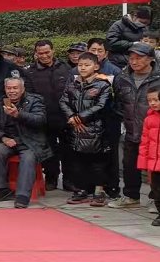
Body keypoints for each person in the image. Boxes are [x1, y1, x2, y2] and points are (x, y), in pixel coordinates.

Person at [0, 78, 52, 209]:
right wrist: (3, 138)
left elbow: (40, 120)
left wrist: (18, 114)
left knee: (28, 158)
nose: (12, 91)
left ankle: (22, 196)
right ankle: (1, 189)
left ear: (22, 89)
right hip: (9, 140)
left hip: (30, 141)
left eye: (15, 88)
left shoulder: (35, 101)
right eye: (9, 88)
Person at [108, 43, 160, 208]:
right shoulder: (122, 77)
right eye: (131, 58)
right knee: (129, 164)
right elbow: (117, 103)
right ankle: (131, 196)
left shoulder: (158, 77)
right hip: (131, 128)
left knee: (156, 168)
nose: (134, 61)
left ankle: (156, 199)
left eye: (139, 57)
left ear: (151, 59)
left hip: (155, 131)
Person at [59, 52, 112, 207]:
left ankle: (98, 191)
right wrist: (72, 117)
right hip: (75, 129)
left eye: (87, 65)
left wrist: (80, 117)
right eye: (80, 65)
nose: (82, 68)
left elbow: (101, 106)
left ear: (96, 66)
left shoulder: (103, 85)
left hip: (96, 129)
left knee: (97, 163)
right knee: (77, 162)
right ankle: (80, 190)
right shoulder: (72, 84)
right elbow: (63, 101)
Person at [25, 40, 72, 191]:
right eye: (40, 53)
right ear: (36, 54)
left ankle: (69, 179)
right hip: (43, 118)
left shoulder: (65, 68)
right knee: (49, 150)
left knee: (68, 150)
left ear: (53, 51)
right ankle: (51, 178)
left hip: (65, 117)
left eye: (47, 52)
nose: (44, 56)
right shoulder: (30, 72)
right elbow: (29, 96)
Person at [87, 37, 123, 198]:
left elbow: (121, 95)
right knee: (89, 153)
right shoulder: (78, 70)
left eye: (99, 50)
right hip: (87, 119)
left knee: (111, 154)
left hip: (109, 118)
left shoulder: (115, 71)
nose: (96, 53)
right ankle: (91, 187)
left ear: (106, 53)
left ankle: (112, 186)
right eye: (93, 50)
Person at [138, 89, 160, 225]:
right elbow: (144, 142)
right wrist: (143, 162)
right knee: (156, 189)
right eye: (149, 101)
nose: (152, 103)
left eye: (156, 100)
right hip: (154, 162)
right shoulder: (149, 119)